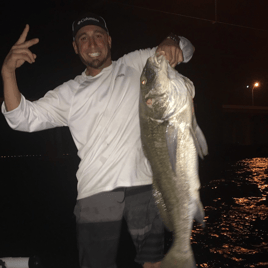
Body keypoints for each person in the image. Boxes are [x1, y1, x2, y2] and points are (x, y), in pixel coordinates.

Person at [1, 13, 195, 268]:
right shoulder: (68, 93)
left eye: (98, 36)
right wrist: (7, 73)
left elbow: (187, 50)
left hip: (144, 183)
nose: (92, 44)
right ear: (75, 47)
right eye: (83, 38)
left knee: (154, 263)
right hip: (95, 190)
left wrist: (172, 41)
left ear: (109, 40)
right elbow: (20, 118)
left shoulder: (136, 64)